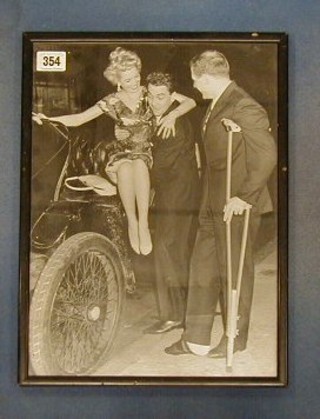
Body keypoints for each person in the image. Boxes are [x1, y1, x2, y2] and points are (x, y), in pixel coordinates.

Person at [165, 50, 277, 357]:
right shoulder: (217, 104)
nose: (195, 87)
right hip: (211, 201)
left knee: (234, 271)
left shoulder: (244, 105)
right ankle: (195, 338)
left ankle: (235, 337)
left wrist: (243, 197)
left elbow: (266, 155)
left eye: (195, 81)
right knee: (201, 269)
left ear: (207, 78)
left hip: (236, 200)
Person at [32, 47, 196, 256]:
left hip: (145, 152)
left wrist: (173, 116)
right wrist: (47, 119)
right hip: (121, 153)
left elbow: (189, 101)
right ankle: (132, 222)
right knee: (126, 167)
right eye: (128, 80)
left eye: (136, 77)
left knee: (136, 164)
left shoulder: (149, 92)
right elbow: (79, 118)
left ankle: (143, 224)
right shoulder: (112, 101)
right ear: (118, 81)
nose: (135, 83)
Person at [143, 72, 200, 334]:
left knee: (166, 248)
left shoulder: (172, 124)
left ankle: (174, 315)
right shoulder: (160, 117)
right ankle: (186, 311)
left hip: (178, 195)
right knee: (176, 250)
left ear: (171, 96)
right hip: (175, 194)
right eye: (151, 96)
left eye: (161, 97)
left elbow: (160, 166)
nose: (155, 102)